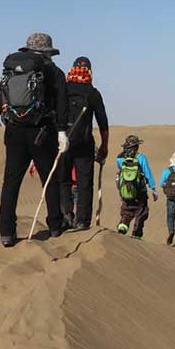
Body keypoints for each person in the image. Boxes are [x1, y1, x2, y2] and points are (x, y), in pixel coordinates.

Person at [0, 33, 69, 248]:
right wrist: (62, 131)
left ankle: (6, 231)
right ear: (48, 52)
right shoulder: (54, 72)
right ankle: (55, 225)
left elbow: (2, 100)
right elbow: (62, 104)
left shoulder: (11, 70)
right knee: (49, 180)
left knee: (11, 182)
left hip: (14, 131)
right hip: (41, 132)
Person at [58, 57, 109, 231]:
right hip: (84, 143)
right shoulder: (92, 92)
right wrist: (104, 146)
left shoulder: (62, 89)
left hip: (62, 141)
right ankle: (82, 221)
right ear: (90, 71)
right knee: (85, 183)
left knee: (63, 180)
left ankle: (65, 216)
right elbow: (103, 122)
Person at [116, 135, 157, 239]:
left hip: (125, 192)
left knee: (126, 212)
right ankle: (136, 235)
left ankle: (122, 228)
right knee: (141, 213)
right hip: (140, 192)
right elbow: (148, 174)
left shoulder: (120, 159)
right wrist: (153, 189)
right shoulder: (141, 157)